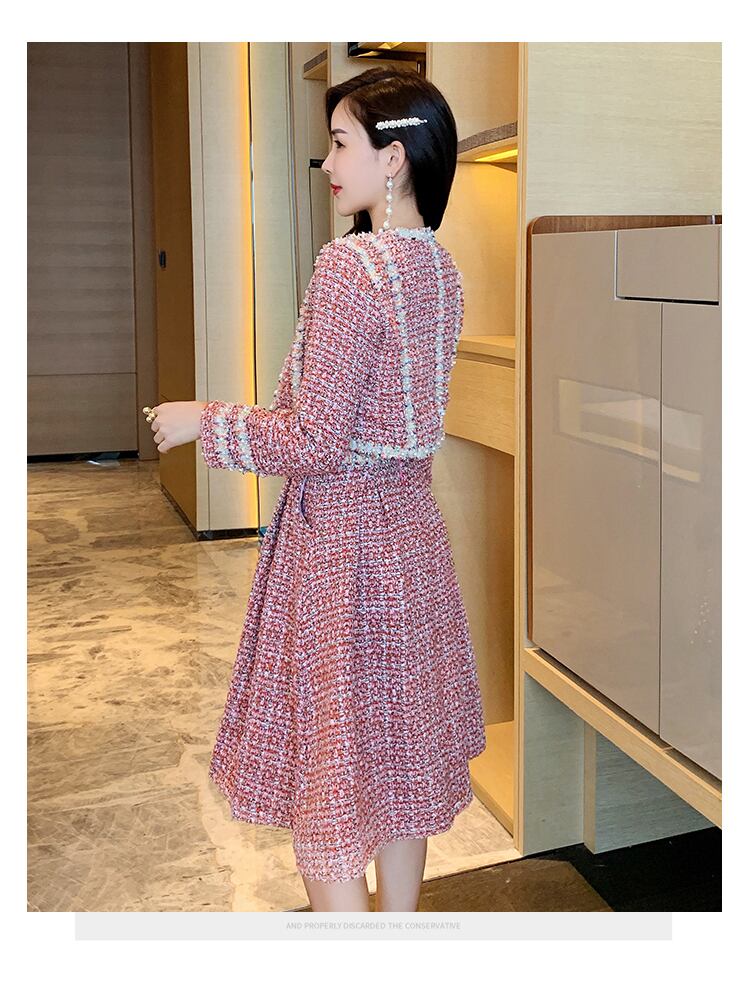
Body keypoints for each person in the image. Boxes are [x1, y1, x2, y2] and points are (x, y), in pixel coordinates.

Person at [145, 66, 486, 913]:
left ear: (394, 158)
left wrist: (205, 420)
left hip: (340, 552)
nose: (327, 163)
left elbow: (315, 442)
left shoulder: (351, 268)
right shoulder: (440, 269)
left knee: (331, 778)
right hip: (412, 542)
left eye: (340, 143)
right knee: (397, 760)